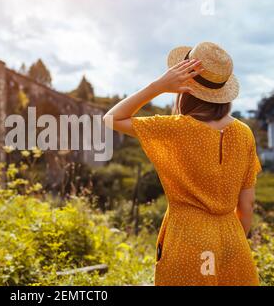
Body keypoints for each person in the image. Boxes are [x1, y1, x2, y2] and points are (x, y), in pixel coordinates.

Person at [103, 42, 262, 286]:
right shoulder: (244, 133)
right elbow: (247, 203)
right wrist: (231, 244)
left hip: (187, 239)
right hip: (232, 240)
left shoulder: (175, 128)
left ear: (185, 89)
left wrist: (157, 86)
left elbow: (112, 118)